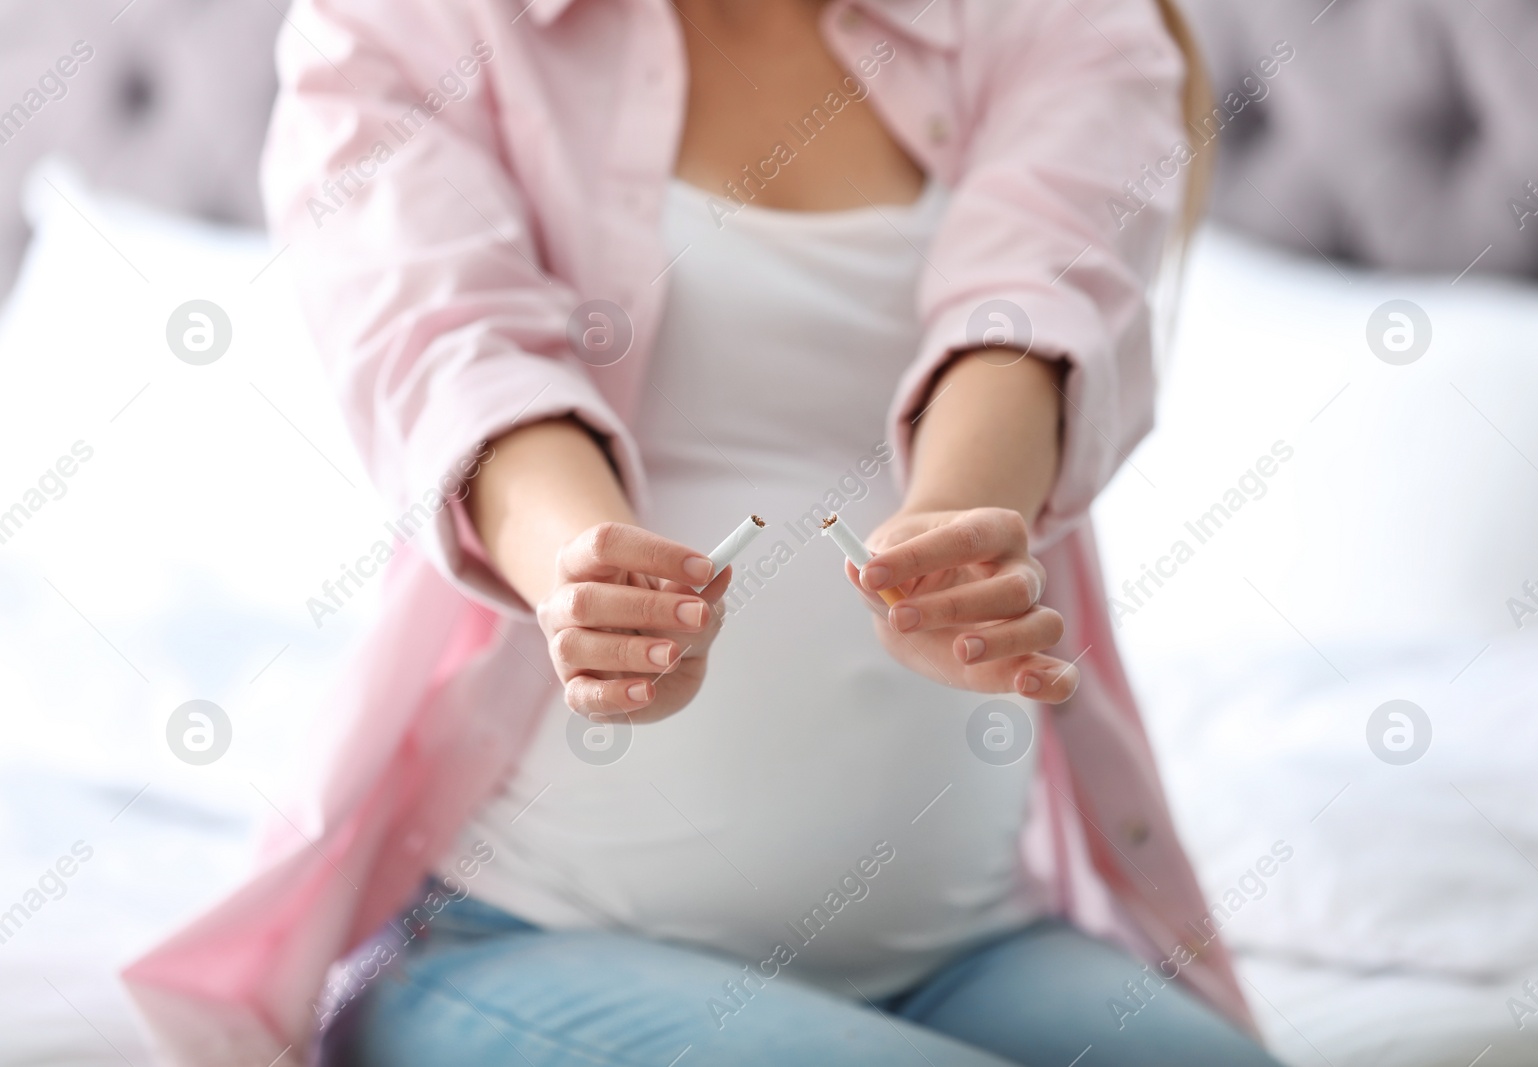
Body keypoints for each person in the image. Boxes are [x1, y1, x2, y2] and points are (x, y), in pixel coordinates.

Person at [124, 0, 1285, 1064]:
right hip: (520, 940)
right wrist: (588, 581)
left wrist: (952, 528)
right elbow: (451, 354)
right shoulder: (407, 25)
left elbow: (1042, 294)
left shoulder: (1064, 20)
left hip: (964, 944)